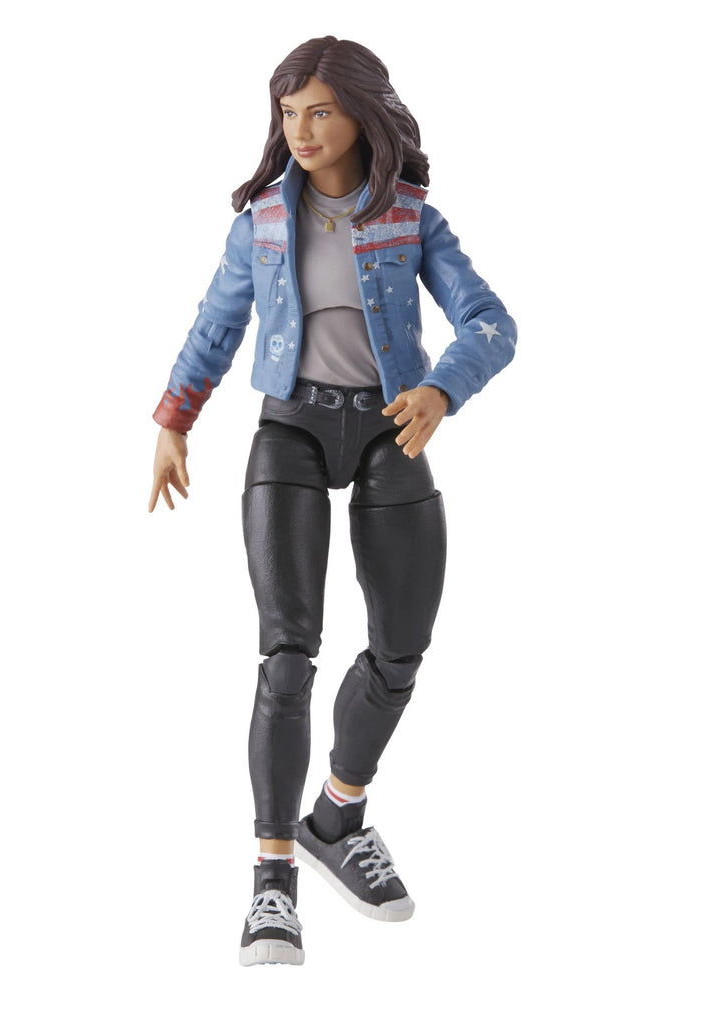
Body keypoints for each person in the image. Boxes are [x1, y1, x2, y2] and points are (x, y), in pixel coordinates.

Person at [148, 36, 516, 966]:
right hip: (293, 429)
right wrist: (174, 419)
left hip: (391, 430)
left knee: (401, 647)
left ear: (362, 114)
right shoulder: (264, 222)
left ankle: (337, 817)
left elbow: (491, 322)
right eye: (288, 113)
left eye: (319, 111)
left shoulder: (411, 218)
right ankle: (273, 876)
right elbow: (216, 324)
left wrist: (442, 389)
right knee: (288, 653)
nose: (301, 130)